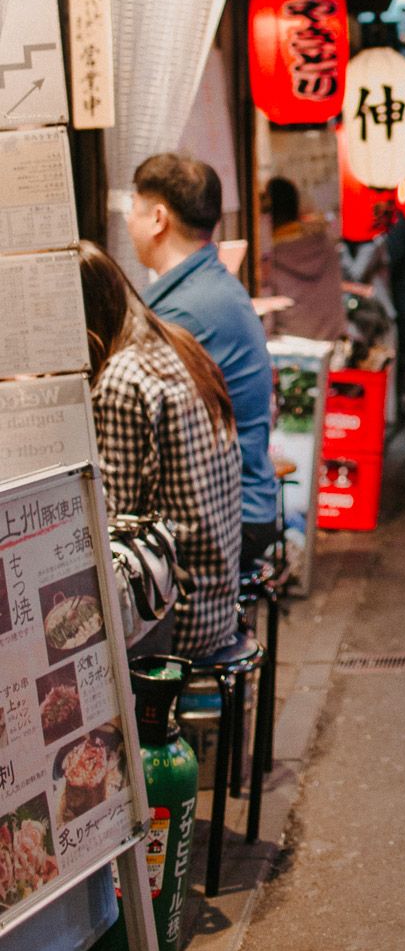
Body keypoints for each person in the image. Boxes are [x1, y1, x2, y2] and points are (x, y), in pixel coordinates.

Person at [79, 242, 241, 659]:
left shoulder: (121, 379)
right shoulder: (174, 341)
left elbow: (110, 518)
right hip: (217, 601)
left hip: (176, 618)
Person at [126, 152, 278, 571]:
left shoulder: (186, 311)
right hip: (248, 502)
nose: (128, 223)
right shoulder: (208, 286)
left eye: (133, 211)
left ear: (158, 218)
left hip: (231, 515)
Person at [261, 176, 346, 342]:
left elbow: (268, 323)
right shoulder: (327, 243)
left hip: (291, 354)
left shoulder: (271, 259)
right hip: (333, 347)